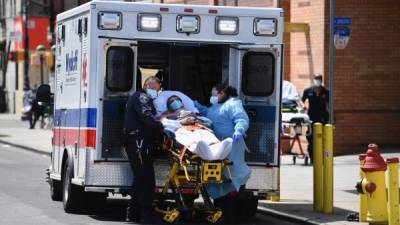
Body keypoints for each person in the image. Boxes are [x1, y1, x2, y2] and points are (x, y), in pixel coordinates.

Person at [195, 84, 250, 221]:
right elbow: (207, 113)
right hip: (217, 147)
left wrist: (239, 130)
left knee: (231, 176)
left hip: (232, 146)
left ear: (222, 93)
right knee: (218, 177)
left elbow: (241, 119)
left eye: (214, 94)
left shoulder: (233, 104)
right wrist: (195, 105)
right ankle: (220, 212)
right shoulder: (215, 107)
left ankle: (229, 214)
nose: (212, 97)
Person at [123, 76, 164, 223]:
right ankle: (147, 216)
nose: (154, 91)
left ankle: (133, 213)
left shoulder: (140, 97)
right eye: (152, 88)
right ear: (146, 85)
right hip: (139, 142)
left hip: (136, 141)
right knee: (147, 179)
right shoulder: (142, 97)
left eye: (156, 89)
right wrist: (163, 126)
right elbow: (146, 116)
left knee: (140, 178)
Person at [301, 74, 329, 164]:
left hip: (323, 117)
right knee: (311, 137)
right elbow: (301, 101)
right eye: (316, 79)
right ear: (314, 80)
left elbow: (330, 105)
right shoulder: (308, 91)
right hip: (311, 117)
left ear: (321, 80)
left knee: (323, 138)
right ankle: (312, 158)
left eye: (319, 79)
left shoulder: (326, 91)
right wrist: (303, 107)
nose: (318, 81)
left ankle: (322, 158)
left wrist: (332, 119)